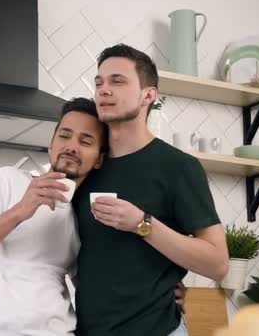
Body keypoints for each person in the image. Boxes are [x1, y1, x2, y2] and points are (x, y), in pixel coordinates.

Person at [71, 44, 229, 336]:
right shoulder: (87, 166)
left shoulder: (178, 167)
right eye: (99, 82)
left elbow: (218, 264)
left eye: (117, 81)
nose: (103, 90)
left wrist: (142, 224)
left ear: (148, 95)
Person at [0, 97, 107, 335]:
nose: (72, 146)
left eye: (86, 140)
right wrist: (20, 210)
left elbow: (96, 290)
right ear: (51, 146)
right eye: (64, 135)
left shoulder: (85, 215)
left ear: (99, 158)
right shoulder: (7, 180)